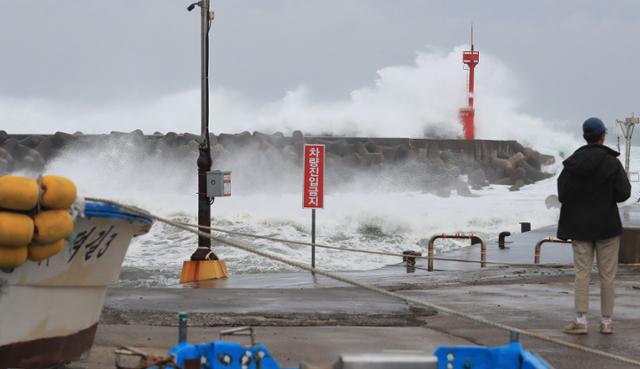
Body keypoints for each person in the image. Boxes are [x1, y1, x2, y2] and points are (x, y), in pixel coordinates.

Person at [557, 117, 631, 335]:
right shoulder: (611, 162)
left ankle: (581, 321)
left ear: (584, 136)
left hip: (580, 227)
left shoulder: (573, 163)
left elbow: (563, 194)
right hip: (607, 226)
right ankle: (606, 322)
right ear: (602, 136)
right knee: (607, 275)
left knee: (582, 273)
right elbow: (624, 193)